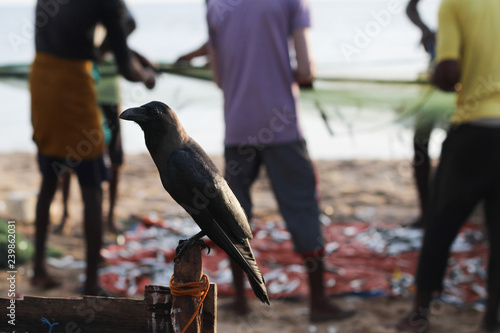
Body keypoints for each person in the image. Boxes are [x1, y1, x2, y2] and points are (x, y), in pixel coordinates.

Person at [207, 0, 355, 321]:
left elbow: (218, 76)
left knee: (234, 214)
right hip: (282, 127)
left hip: (238, 127)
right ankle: (318, 303)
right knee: (302, 207)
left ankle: (242, 301)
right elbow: (305, 69)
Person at [30, 0, 155, 295]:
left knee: (49, 178)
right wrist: (147, 76)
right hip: (73, 86)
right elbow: (126, 67)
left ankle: (38, 269)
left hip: (41, 81)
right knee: (92, 186)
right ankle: (89, 283)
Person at [397, 0, 500, 331]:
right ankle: (490, 318)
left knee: (440, 224)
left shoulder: (454, 4)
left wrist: (438, 68)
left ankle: (420, 312)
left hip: (473, 131)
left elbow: (448, 74)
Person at [406, 0, 438, 229]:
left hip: (450, 72)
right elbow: (410, 7)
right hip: (439, 73)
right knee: (420, 142)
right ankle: (428, 212)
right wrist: (427, 30)